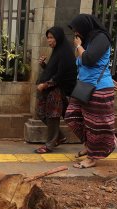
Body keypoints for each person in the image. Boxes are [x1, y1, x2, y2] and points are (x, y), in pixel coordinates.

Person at [66, 14, 116, 169]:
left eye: (77, 30)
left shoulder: (101, 38)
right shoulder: (88, 40)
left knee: (96, 125)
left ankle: (93, 156)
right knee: (71, 115)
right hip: (85, 87)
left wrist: (79, 46)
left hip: (98, 88)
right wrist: (80, 46)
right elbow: (82, 62)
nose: (76, 33)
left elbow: (88, 59)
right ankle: (90, 145)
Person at [34, 26, 77, 154]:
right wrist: (44, 66)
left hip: (58, 90)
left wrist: (46, 84)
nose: (49, 41)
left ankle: (49, 145)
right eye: (48, 38)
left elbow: (61, 75)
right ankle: (59, 137)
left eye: (51, 38)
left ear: (58, 37)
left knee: (53, 116)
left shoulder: (65, 52)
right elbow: (54, 70)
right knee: (41, 113)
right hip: (51, 89)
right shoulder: (57, 51)